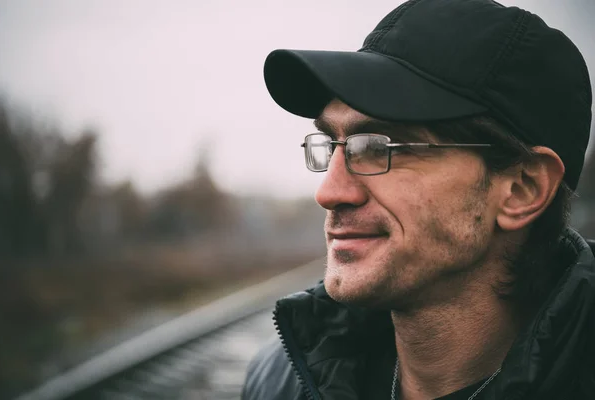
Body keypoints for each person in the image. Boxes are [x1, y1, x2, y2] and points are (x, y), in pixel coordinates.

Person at [242, 0, 595, 399]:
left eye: (381, 147)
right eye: (332, 144)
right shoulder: (278, 381)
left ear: (521, 190)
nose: (329, 192)